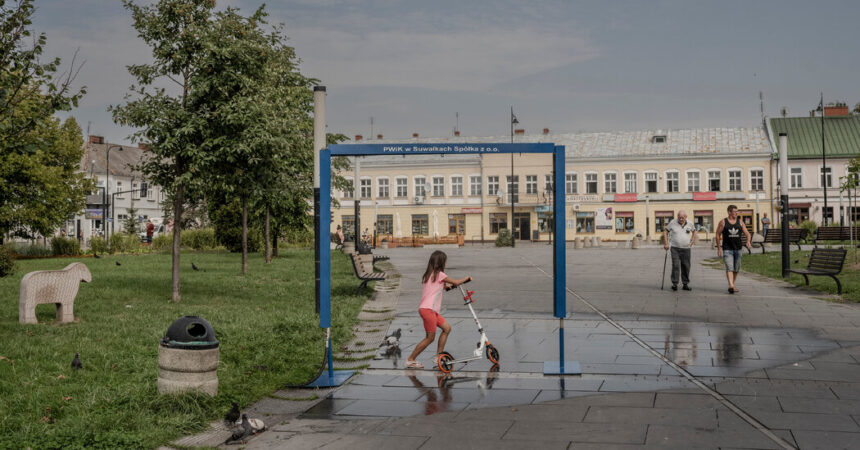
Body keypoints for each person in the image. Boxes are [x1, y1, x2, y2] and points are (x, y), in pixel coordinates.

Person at [405, 250, 470, 369]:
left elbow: (438, 288)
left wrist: (448, 287)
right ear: (441, 263)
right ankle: (410, 359)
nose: (446, 263)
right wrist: (467, 278)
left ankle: (438, 356)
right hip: (428, 310)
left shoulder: (428, 275)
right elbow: (456, 282)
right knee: (430, 338)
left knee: (447, 328)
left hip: (430, 310)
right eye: (445, 261)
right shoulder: (440, 274)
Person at [715, 205, 752, 294]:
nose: (737, 213)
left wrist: (748, 241)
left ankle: (732, 284)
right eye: (735, 211)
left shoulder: (740, 222)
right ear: (729, 212)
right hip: (727, 249)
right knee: (729, 267)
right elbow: (717, 234)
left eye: (737, 211)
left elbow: (747, 233)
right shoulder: (723, 222)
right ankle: (731, 285)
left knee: (736, 269)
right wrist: (719, 248)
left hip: (738, 249)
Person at [663, 210, 697, 291]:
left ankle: (685, 284)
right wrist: (666, 243)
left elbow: (694, 231)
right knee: (675, 265)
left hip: (686, 249)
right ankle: (675, 284)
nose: (681, 219)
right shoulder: (672, 222)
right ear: (677, 216)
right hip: (675, 248)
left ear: (686, 217)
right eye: (679, 217)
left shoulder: (690, 223)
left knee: (686, 266)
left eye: (682, 217)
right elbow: (665, 232)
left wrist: (692, 240)